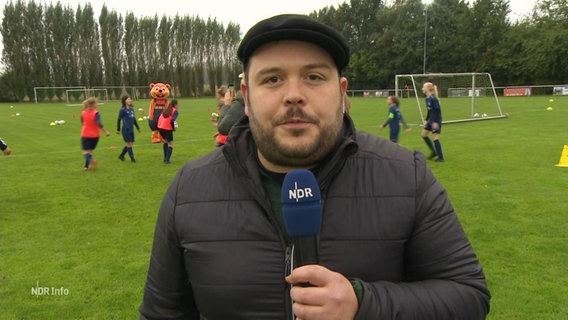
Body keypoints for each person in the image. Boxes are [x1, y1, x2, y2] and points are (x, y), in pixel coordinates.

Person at [139, 14, 490, 319]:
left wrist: (364, 303)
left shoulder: (407, 176)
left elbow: (468, 297)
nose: (294, 94)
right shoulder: (189, 190)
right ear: (246, 96)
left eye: (314, 77)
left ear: (341, 92)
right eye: (272, 79)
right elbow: (162, 313)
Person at [80, 97, 110, 171]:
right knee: (89, 151)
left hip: (86, 134)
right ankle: (86, 167)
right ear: (93, 104)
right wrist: (105, 131)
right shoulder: (96, 113)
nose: (97, 104)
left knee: (85, 151)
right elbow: (98, 123)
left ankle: (91, 160)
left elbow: (82, 122)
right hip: (95, 136)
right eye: (96, 102)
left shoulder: (83, 112)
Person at [421, 82, 445, 162]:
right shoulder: (427, 98)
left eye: (424, 87)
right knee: (424, 135)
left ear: (428, 88)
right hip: (431, 120)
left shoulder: (433, 98)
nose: (422, 89)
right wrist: (426, 120)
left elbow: (437, 110)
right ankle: (433, 152)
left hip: (435, 120)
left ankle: (441, 158)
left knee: (435, 138)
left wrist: (435, 122)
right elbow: (429, 111)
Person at [116, 95, 141, 162]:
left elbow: (134, 119)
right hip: (126, 129)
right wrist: (118, 129)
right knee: (129, 144)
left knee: (131, 143)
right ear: (124, 101)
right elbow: (119, 119)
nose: (130, 100)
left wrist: (138, 128)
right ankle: (132, 159)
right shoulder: (122, 110)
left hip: (131, 129)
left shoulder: (131, 109)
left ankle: (121, 155)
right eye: (128, 99)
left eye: (130, 99)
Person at [157, 99, 179, 164]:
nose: (178, 105)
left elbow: (160, 118)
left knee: (166, 142)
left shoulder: (166, 110)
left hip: (160, 128)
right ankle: (167, 160)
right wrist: (173, 128)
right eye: (178, 104)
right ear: (175, 105)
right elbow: (172, 120)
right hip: (167, 129)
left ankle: (165, 158)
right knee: (171, 144)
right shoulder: (175, 111)